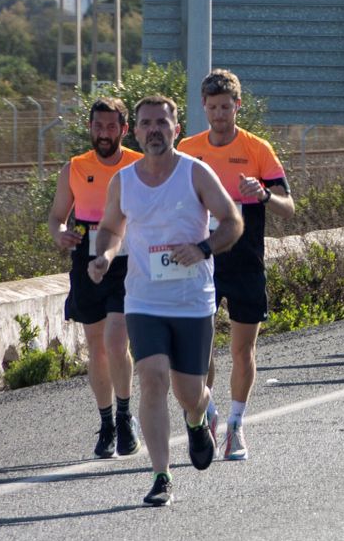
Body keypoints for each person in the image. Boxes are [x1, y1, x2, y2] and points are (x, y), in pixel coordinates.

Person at [87, 95, 243, 507]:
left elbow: (233, 221)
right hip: (143, 300)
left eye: (162, 122)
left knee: (188, 390)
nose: (154, 129)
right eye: (146, 123)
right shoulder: (124, 180)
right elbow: (109, 228)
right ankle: (161, 475)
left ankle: (199, 415)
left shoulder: (196, 173)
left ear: (176, 129)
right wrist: (103, 255)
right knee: (152, 379)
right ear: (134, 132)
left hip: (192, 300)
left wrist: (204, 249)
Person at [179, 69, 293, 462]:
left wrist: (262, 195)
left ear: (237, 106)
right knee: (201, 350)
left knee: (243, 350)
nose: (219, 115)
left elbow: (289, 207)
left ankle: (237, 425)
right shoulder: (189, 149)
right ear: (203, 108)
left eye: (226, 107)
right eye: (212, 108)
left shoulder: (258, 148)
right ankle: (205, 414)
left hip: (246, 263)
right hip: (202, 263)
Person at [49, 97, 142, 459]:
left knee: (118, 341)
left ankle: (125, 415)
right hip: (87, 256)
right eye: (98, 127)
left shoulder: (139, 165)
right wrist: (60, 234)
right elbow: (58, 216)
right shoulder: (74, 167)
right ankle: (106, 423)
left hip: (127, 257)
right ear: (90, 128)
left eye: (111, 127)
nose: (104, 134)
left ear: (124, 129)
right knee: (97, 347)